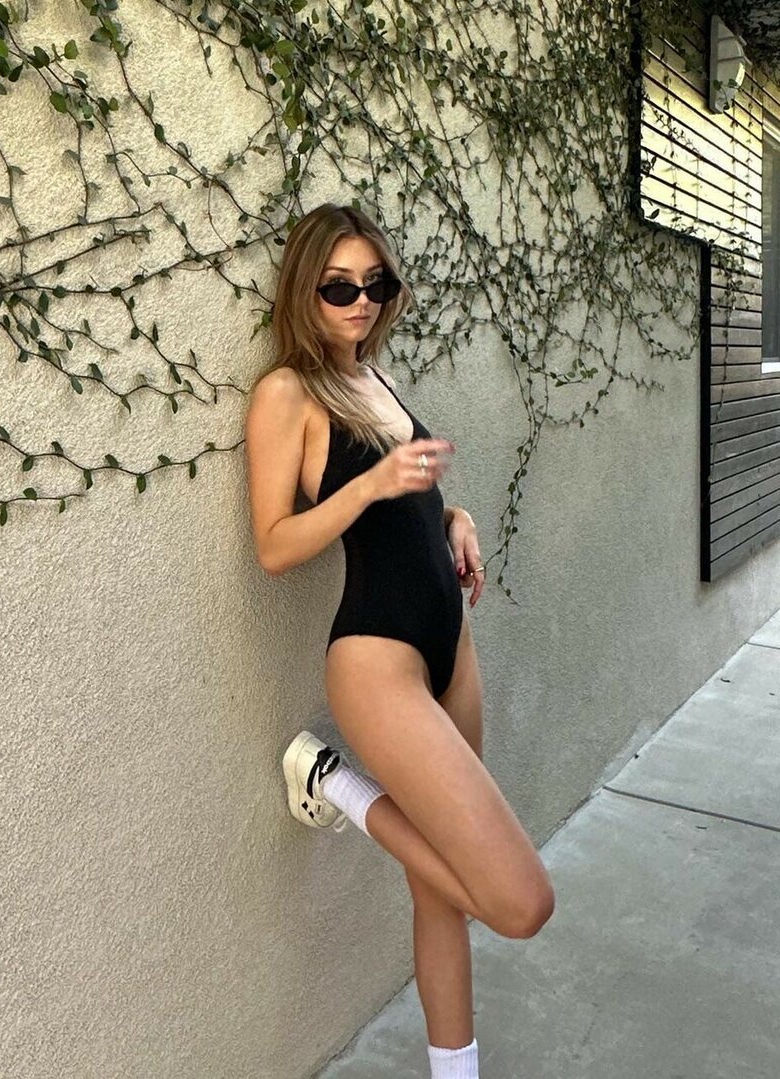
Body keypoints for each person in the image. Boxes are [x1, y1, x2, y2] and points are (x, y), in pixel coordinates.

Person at [243, 203, 555, 1079]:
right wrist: (373, 484)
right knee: (518, 901)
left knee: (439, 891)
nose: (361, 303)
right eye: (339, 287)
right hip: (377, 658)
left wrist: (453, 517)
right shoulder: (287, 392)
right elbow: (274, 545)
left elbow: (406, 505)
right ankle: (334, 781)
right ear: (303, 290)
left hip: (450, 645)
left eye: (375, 284)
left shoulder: (371, 374)